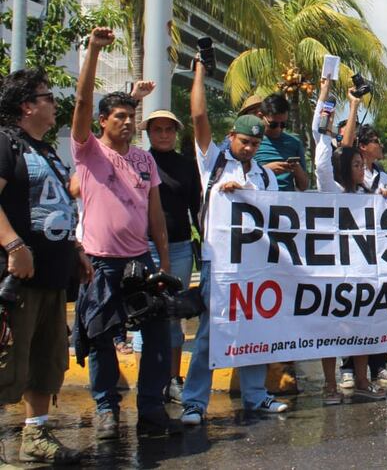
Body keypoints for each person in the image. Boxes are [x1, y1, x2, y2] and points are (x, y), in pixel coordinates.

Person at [71, 28, 180, 439]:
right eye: (120, 117)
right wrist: (95, 51)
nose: (129, 122)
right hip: (99, 263)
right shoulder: (88, 151)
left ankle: (151, 409)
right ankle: (105, 409)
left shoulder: (144, 161)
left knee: (154, 336)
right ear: (102, 122)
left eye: (132, 117)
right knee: (99, 337)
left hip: (140, 262)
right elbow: (81, 102)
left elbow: (156, 219)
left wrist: (163, 265)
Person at [180, 51, 290, 426]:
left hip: (256, 265)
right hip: (220, 262)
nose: (249, 148)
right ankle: (194, 402)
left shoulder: (265, 175)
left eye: (255, 144)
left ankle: (256, 396)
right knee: (213, 330)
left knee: (257, 326)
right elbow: (198, 117)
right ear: (232, 138)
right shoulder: (213, 162)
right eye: (244, 141)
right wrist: (199, 72)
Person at [0, 69, 90, 463]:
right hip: (17, 278)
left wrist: (76, 249)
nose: (54, 103)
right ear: (27, 105)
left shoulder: (48, 150)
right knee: (8, 363)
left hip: (52, 275)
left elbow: (57, 205)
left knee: (48, 359)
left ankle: (35, 435)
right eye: (47, 96)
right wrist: (13, 244)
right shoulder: (5, 144)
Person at [312, 77, 387, 404]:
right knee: (332, 328)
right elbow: (325, 152)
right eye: (356, 165)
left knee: (362, 326)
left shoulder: (367, 194)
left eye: (362, 164)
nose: (362, 168)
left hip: (360, 269)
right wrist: (331, 96)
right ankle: (330, 385)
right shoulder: (331, 189)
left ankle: (361, 381)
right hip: (332, 269)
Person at [130, 100, 200, 405]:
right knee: (144, 314)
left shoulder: (187, 165)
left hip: (181, 247)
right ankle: (146, 381)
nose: (163, 135)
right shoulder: (139, 161)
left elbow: (197, 207)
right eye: (157, 130)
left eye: (168, 130)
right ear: (148, 133)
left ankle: (173, 378)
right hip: (143, 247)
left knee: (173, 314)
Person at [253, 93, 309, 192]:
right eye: (273, 124)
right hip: (258, 200)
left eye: (283, 124)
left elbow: (303, 186)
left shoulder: (294, 142)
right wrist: (266, 171)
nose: (278, 129)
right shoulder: (249, 142)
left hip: (286, 203)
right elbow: (240, 178)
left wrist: (297, 169)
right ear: (261, 116)